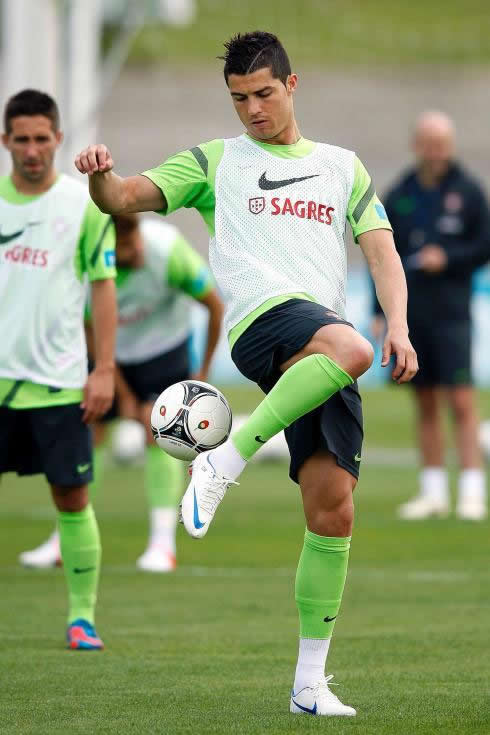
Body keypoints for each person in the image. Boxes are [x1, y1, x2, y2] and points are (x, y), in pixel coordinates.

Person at [75, 32, 417, 716]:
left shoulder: (342, 167)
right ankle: (222, 460)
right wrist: (98, 177)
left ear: (293, 85)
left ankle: (307, 685)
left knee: (333, 507)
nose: (252, 110)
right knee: (350, 348)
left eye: (263, 94)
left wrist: (399, 323)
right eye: (238, 98)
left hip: (319, 332)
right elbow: (126, 198)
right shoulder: (214, 160)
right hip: (263, 318)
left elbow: (380, 249)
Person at [21, 212, 223, 572]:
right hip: (108, 352)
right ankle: (63, 541)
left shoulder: (167, 248)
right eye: (126, 248)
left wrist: (203, 373)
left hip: (165, 347)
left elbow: (214, 304)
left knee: (155, 431)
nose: (136, 251)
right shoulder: (83, 269)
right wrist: (123, 394)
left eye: (135, 241)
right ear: (107, 249)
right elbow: (88, 330)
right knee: (90, 427)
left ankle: (163, 543)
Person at [0, 89, 117, 649]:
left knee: (71, 498)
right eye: (20, 139)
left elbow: (103, 290)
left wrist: (104, 369)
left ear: (57, 139)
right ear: (5, 141)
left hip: (60, 383)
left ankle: (81, 618)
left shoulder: (85, 206)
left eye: (41, 138)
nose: (31, 149)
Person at [372, 111, 490, 521]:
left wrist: (449, 258)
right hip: (412, 315)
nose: (437, 151)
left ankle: (473, 491)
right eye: (429, 143)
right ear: (417, 144)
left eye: (443, 143)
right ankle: (433, 491)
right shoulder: (401, 192)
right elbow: (382, 255)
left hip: (452, 314)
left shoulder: (469, 192)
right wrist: (378, 311)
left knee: (460, 400)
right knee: (423, 401)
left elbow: (483, 246)